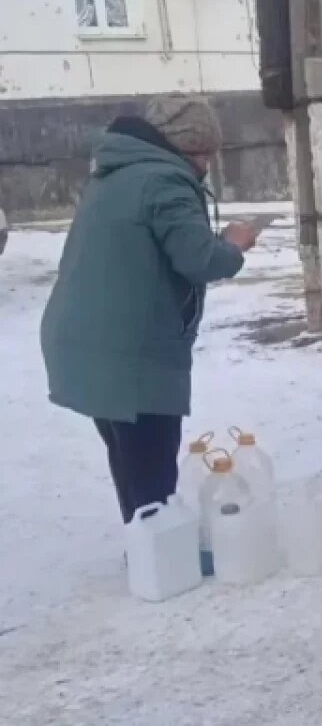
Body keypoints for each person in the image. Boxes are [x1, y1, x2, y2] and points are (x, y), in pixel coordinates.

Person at [40, 95, 259, 526]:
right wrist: (233, 244)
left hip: (88, 342)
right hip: (128, 353)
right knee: (151, 469)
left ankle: (147, 546)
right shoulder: (166, 182)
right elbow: (199, 260)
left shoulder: (116, 175)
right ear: (187, 149)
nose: (208, 164)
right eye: (205, 153)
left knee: (131, 459)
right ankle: (159, 556)